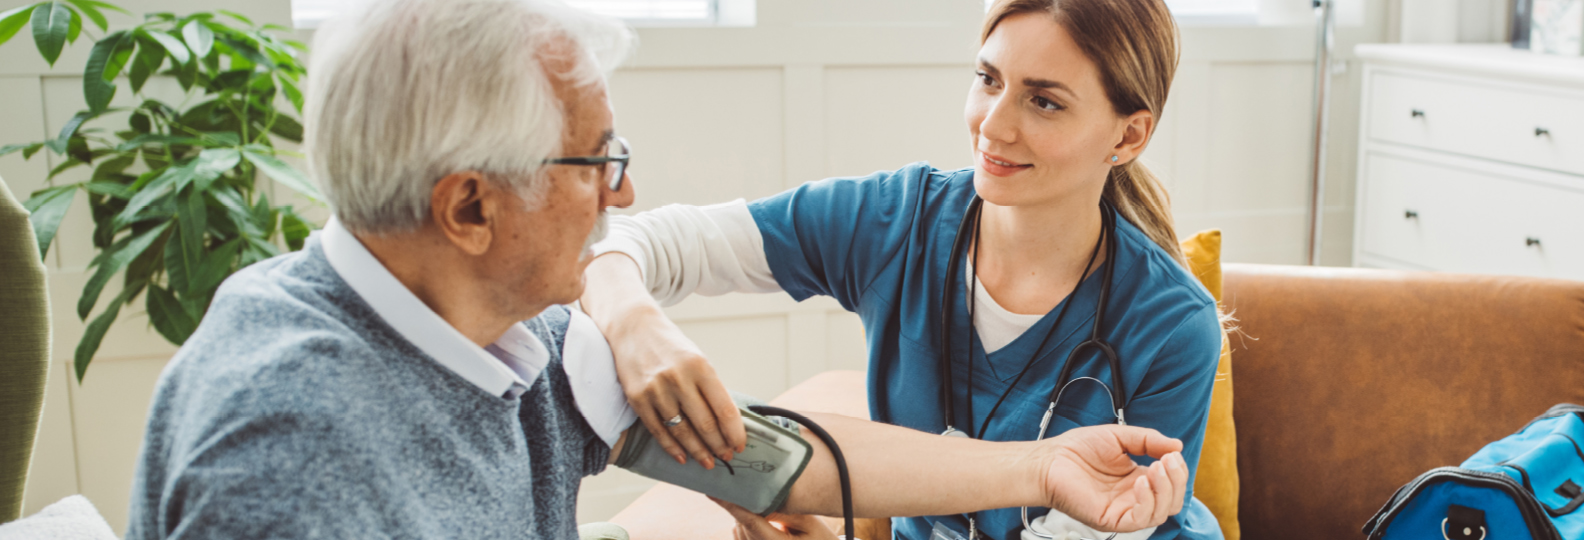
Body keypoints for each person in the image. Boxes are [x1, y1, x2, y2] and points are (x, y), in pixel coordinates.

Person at [122, 1, 1192, 538]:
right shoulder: (283, 453)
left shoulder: (515, 343)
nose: (623, 195)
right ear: (470, 205)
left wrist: (1040, 472)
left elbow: (764, 459)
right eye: (598, 162)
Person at [581, 1, 1225, 538]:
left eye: (1045, 103)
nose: (992, 127)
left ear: (1128, 136)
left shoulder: (1172, 327)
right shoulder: (898, 222)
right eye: (988, 79)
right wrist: (635, 321)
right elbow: (631, 241)